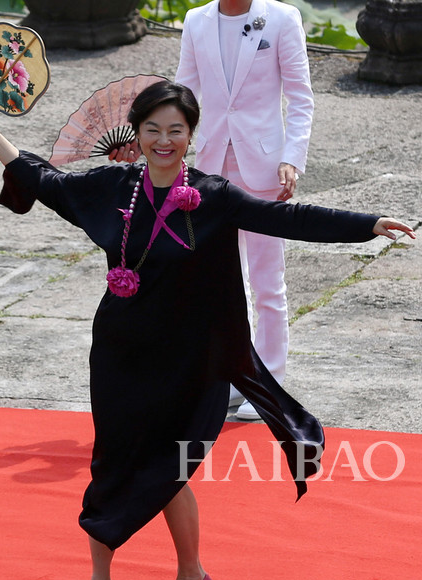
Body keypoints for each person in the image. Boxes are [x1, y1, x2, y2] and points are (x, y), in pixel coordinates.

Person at [0, 80, 415, 580]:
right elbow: (46, 181)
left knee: (171, 468)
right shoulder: (113, 186)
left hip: (188, 359)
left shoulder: (213, 195)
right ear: (139, 132)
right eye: (152, 129)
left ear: (191, 135)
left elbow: (286, 219)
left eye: (176, 130)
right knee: (113, 461)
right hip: (120, 352)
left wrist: (367, 225)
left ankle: (192, 575)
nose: (164, 140)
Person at [115, 0, 315, 421]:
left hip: (264, 166)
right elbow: (183, 96)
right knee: (212, 279)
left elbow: (300, 97)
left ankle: (268, 385)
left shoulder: (281, 18)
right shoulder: (196, 20)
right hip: (206, 168)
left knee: (267, 282)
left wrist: (292, 158)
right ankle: (222, 379)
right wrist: (153, 141)